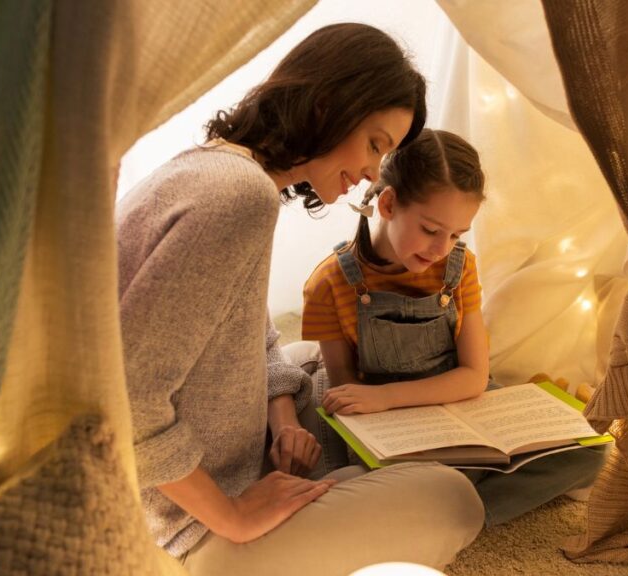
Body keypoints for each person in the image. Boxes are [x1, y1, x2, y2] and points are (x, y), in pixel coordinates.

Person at [117, 23, 483, 576]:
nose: (370, 174)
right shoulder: (236, 198)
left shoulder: (219, 171)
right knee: (453, 499)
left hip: (236, 461)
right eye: (375, 145)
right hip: (190, 528)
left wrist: (282, 418)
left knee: (304, 377)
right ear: (326, 106)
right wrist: (235, 516)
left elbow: (254, 335)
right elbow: (130, 402)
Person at [300, 128, 607, 526]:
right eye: (430, 230)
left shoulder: (459, 267)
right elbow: (347, 393)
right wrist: (384, 404)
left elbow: (474, 377)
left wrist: (394, 396)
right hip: (386, 421)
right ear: (389, 203)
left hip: (457, 401)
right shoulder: (328, 283)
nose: (441, 249)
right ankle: (445, 502)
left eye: (456, 234)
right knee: (357, 478)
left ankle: (454, 516)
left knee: (589, 452)